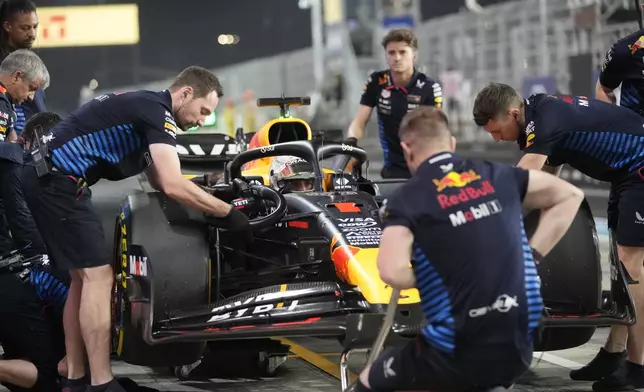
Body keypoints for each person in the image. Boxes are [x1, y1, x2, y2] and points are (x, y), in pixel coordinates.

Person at [20, 66, 253, 392]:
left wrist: (211, 195)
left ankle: (73, 377)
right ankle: (102, 382)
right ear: (185, 93)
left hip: (48, 177)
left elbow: (158, 176)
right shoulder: (158, 113)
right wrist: (228, 213)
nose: (202, 120)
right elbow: (172, 184)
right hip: (58, 181)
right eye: (203, 111)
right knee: (99, 278)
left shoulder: (145, 109)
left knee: (81, 279)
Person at [354, 106, 584, 391]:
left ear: (406, 149)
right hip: (524, 338)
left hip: (456, 350)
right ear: (451, 144)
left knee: (368, 380)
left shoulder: (408, 198)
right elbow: (571, 195)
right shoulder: (498, 174)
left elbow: (390, 271)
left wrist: (432, 274)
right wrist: (531, 254)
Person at [472, 83, 644, 391]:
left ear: (513, 113)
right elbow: (546, 177)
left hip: (639, 168)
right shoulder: (537, 114)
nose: (496, 139)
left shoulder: (546, 119)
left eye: (496, 131)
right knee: (620, 263)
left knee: (632, 266)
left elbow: (519, 182)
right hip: (625, 175)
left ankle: (638, 366)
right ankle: (614, 352)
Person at [345, 28, 443, 179]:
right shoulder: (377, 81)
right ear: (386, 56)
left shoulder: (430, 88)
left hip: (423, 168)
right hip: (392, 170)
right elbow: (359, 121)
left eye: (403, 52)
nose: (397, 58)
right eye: (391, 53)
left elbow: (437, 131)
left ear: (414, 55)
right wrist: (350, 144)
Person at [0, 48, 47, 258]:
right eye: (31, 88)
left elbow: (12, 143)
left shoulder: (6, 104)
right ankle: (32, 250)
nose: (31, 97)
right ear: (17, 76)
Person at [0, 0, 46, 135]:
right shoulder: (6, 70)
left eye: (35, 27)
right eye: (25, 28)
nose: (32, 33)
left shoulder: (31, 63)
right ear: (8, 26)